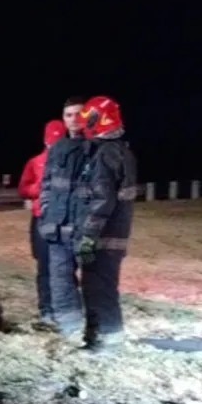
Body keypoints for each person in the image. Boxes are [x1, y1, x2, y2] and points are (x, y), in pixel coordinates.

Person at [71, 95, 137, 353]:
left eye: (88, 118)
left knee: (100, 288)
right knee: (99, 286)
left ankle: (108, 340)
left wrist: (88, 235)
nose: (84, 124)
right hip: (112, 236)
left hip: (103, 238)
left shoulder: (106, 154)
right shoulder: (121, 152)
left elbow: (101, 200)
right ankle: (97, 338)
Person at [38, 96, 89, 341]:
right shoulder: (57, 149)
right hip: (57, 225)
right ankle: (69, 326)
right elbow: (46, 185)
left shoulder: (98, 148)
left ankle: (94, 325)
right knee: (60, 278)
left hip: (85, 226)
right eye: (68, 115)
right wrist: (47, 212)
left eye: (78, 114)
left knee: (92, 279)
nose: (73, 120)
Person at [18, 119, 67, 327]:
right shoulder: (35, 162)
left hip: (64, 220)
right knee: (45, 266)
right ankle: (46, 309)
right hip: (41, 219)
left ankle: (66, 308)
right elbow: (23, 189)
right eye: (50, 142)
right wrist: (40, 190)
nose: (53, 146)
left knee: (65, 266)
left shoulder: (72, 162)